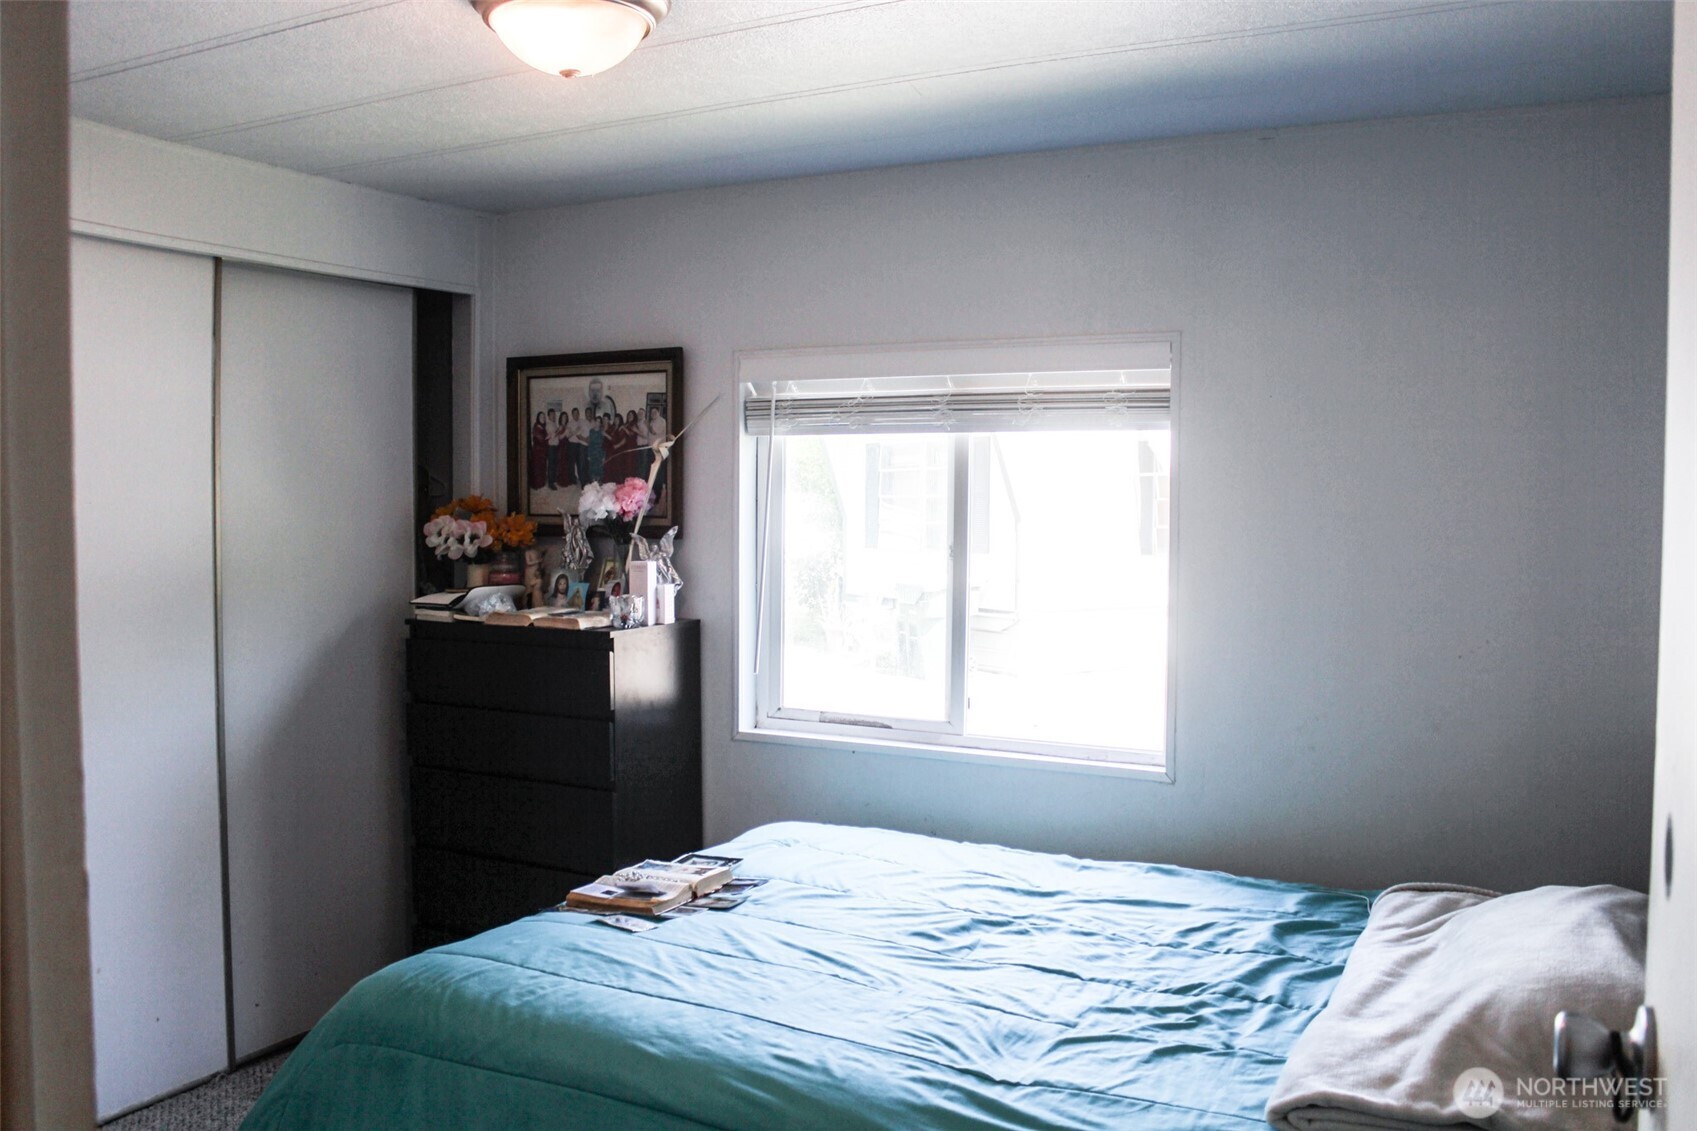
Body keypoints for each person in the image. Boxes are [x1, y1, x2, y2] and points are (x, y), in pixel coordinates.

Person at [564, 407, 588, 487]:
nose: (576, 415)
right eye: (574, 414)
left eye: (577, 413)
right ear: (572, 414)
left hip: (580, 445)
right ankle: (572, 480)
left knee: (580, 463)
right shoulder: (569, 424)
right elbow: (567, 436)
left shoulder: (582, 422)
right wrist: (575, 431)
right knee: (572, 463)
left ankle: (581, 479)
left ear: (579, 414)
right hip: (572, 445)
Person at [544, 408, 564, 490]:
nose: (553, 416)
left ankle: (553, 480)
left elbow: (557, 436)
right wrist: (559, 430)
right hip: (551, 447)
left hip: (555, 447)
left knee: (554, 464)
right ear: (548, 416)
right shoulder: (548, 425)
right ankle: (550, 483)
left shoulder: (554, 424)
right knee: (551, 465)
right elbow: (552, 435)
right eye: (552, 415)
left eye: (554, 415)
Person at [528, 411, 548, 490]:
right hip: (537, 451)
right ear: (538, 418)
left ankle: (541, 483)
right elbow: (541, 439)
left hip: (542, 451)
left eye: (544, 416)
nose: (543, 418)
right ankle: (537, 484)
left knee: (542, 468)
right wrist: (549, 436)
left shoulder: (542, 426)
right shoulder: (536, 426)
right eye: (541, 416)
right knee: (537, 468)